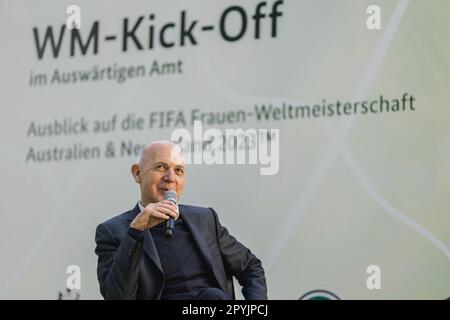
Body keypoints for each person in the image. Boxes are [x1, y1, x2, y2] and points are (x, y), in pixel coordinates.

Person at [95, 140, 267, 300]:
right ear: (137, 173)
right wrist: (136, 231)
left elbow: (250, 266)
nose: (171, 178)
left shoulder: (205, 219)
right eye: (161, 167)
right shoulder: (113, 232)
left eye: (179, 170)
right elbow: (117, 296)